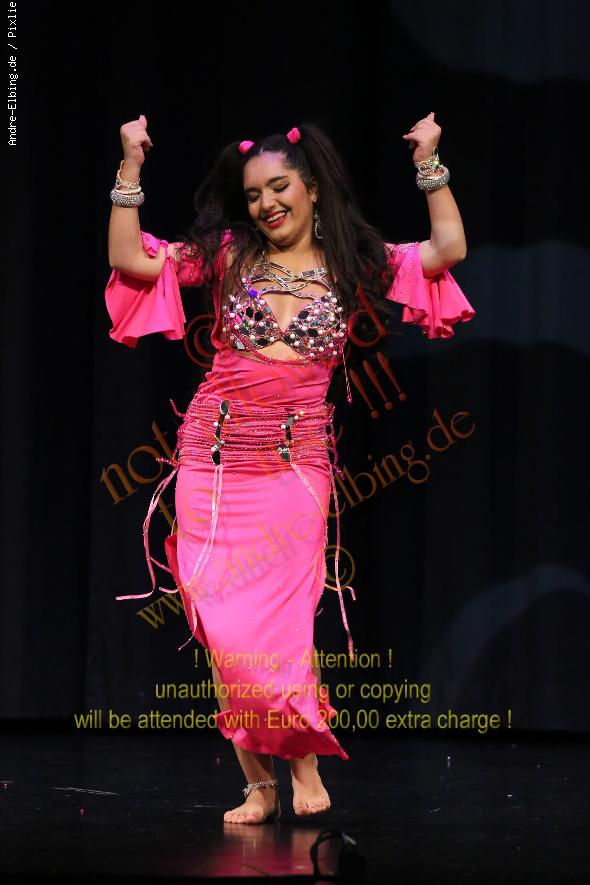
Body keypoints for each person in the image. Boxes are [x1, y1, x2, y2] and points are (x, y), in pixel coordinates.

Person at [105, 113, 475, 825]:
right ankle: (260, 785)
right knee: (222, 628)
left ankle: (302, 763)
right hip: (211, 463)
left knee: (278, 629)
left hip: (292, 469)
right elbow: (129, 257)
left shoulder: (353, 260)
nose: (265, 204)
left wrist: (430, 162)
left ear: (310, 187)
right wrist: (130, 166)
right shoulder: (227, 255)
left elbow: (448, 248)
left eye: (278, 188)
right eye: (253, 195)